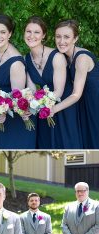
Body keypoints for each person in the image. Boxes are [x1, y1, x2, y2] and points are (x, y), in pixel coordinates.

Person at [24, 16, 82, 149]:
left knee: (65, 144)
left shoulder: (57, 57)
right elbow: (31, 90)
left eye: (37, 32)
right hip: (45, 110)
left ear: (43, 35)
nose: (31, 36)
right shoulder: (26, 59)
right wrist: (28, 106)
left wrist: (38, 105)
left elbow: (59, 91)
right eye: (28, 31)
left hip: (63, 108)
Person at [0, 14, 35, 149]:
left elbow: (17, 98)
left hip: (14, 116)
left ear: (10, 34)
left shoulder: (16, 62)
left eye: (3, 32)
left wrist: (1, 111)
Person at [54, 19, 99, 149]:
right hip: (84, 104)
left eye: (67, 37)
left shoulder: (81, 58)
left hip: (94, 103)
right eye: (58, 36)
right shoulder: (64, 56)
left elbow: (76, 94)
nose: (61, 41)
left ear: (75, 38)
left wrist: (54, 109)